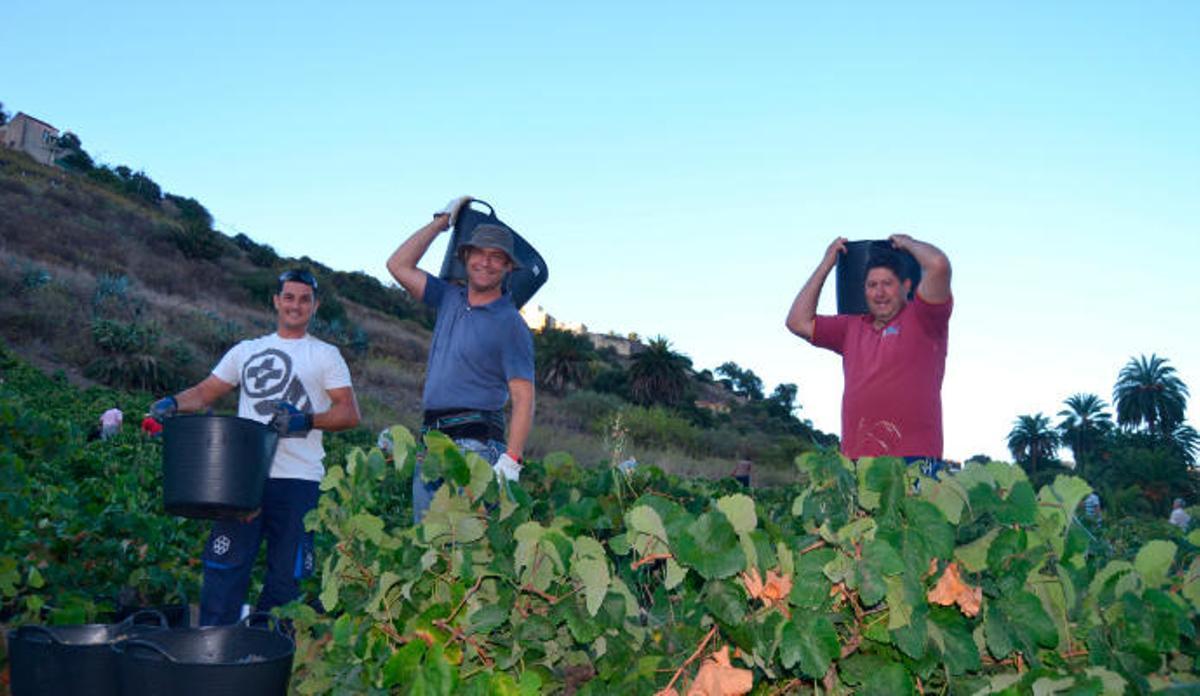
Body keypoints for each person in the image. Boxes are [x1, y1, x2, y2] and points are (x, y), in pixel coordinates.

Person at [149, 269, 360, 625]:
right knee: (224, 566)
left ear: (315, 306)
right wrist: (171, 402)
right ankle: (212, 648)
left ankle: (266, 655)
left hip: (298, 479)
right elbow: (204, 392)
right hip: (240, 480)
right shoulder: (247, 351)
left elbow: (349, 412)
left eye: (304, 299)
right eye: (289, 297)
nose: (296, 305)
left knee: (286, 578)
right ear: (277, 301)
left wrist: (306, 420)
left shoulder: (325, 355)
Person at [386, 196, 535, 523]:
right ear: (465, 256)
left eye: (497, 258)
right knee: (430, 548)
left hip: (477, 448)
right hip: (432, 444)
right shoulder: (448, 297)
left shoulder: (510, 323)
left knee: (467, 551)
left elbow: (524, 397)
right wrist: (442, 222)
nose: (486, 262)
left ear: (509, 267)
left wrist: (511, 460)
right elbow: (397, 265)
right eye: (479, 253)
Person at [786, 235, 952, 467]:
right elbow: (797, 321)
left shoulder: (924, 319)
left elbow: (938, 265)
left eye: (887, 283)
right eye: (872, 285)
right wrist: (827, 263)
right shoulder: (851, 327)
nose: (879, 292)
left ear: (906, 286)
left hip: (915, 459)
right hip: (858, 460)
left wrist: (908, 244)